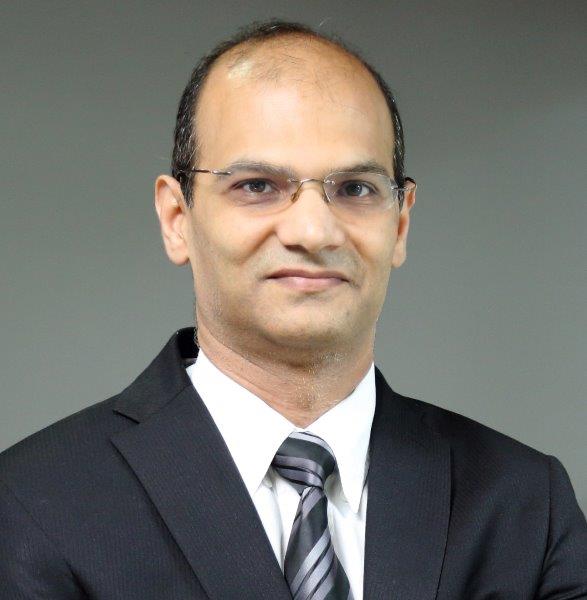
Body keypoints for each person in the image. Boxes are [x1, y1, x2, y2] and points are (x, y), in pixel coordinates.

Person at [1, 19, 586, 600]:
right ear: (177, 220)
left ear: (400, 224)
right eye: (257, 185)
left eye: (355, 188)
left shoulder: (526, 504)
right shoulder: (32, 504)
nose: (312, 230)